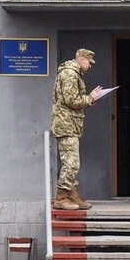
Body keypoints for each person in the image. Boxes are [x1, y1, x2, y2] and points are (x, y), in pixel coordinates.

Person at [50, 48, 102, 210]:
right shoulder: (70, 74)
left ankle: (72, 195)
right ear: (81, 59)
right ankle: (61, 197)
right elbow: (71, 100)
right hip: (66, 124)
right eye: (88, 62)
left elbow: (72, 100)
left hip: (70, 123)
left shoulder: (73, 73)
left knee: (71, 162)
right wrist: (90, 98)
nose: (90, 66)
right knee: (72, 163)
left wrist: (90, 100)